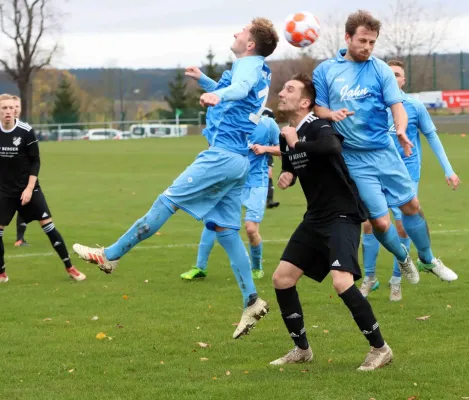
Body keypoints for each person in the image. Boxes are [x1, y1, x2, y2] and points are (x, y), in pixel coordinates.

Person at [72, 18, 279, 338]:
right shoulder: (258, 68)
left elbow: (237, 89)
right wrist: (206, 82)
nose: (236, 32)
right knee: (225, 232)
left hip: (222, 156)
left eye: (242, 31)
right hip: (238, 161)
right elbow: (236, 90)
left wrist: (218, 97)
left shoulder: (248, 64)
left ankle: (109, 256)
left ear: (251, 44)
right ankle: (251, 301)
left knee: (165, 202)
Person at [312, 10, 457, 288]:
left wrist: (401, 129)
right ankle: (403, 258)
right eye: (363, 41)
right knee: (379, 222)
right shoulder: (326, 71)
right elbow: (318, 106)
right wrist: (330, 115)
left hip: (384, 152)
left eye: (372, 43)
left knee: (412, 205)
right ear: (347, 37)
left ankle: (428, 259)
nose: (367, 48)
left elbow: (397, 106)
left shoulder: (379, 69)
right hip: (352, 158)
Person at [269, 74, 392, 371]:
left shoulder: (319, 126)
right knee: (282, 279)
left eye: (289, 89)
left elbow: (332, 148)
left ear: (305, 102)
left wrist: (295, 141)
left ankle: (380, 349)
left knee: (341, 282)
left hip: (342, 215)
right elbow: (292, 164)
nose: (282, 93)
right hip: (315, 217)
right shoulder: (286, 133)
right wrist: (288, 175)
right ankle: (301, 349)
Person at [360, 60, 461, 301]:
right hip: (376, 172)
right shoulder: (372, 106)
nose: (393, 78)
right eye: (389, 74)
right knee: (369, 224)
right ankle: (370, 277)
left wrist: (449, 170)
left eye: (397, 75)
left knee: (402, 224)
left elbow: (432, 137)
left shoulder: (414, 106)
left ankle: (396, 280)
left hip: (406, 174)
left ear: (403, 80)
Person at [180, 108, 280, 281]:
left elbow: (283, 148)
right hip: (232, 179)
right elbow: (213, 148)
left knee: (250, 229)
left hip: (256, 182)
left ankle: (256, 267)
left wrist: (264, 148)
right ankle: (200, 267)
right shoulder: (230, 120)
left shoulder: (268, 123)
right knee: (212, 222)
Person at [0, 94, 86, 283]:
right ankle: (2, 273)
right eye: (4, 108)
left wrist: (29, 188)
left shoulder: (25, 131)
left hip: (28, 187)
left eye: (10, 108)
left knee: (48, 226)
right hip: (4, 191)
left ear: (15, 110)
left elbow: (35, 161)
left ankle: (70, 267)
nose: (8, 111)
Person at [12, 95, 29, 247]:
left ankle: (20, 238)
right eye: (12, 107)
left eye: (17, 106)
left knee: (23, 205)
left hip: (21, 177)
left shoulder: (24, 130)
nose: (15, 110)